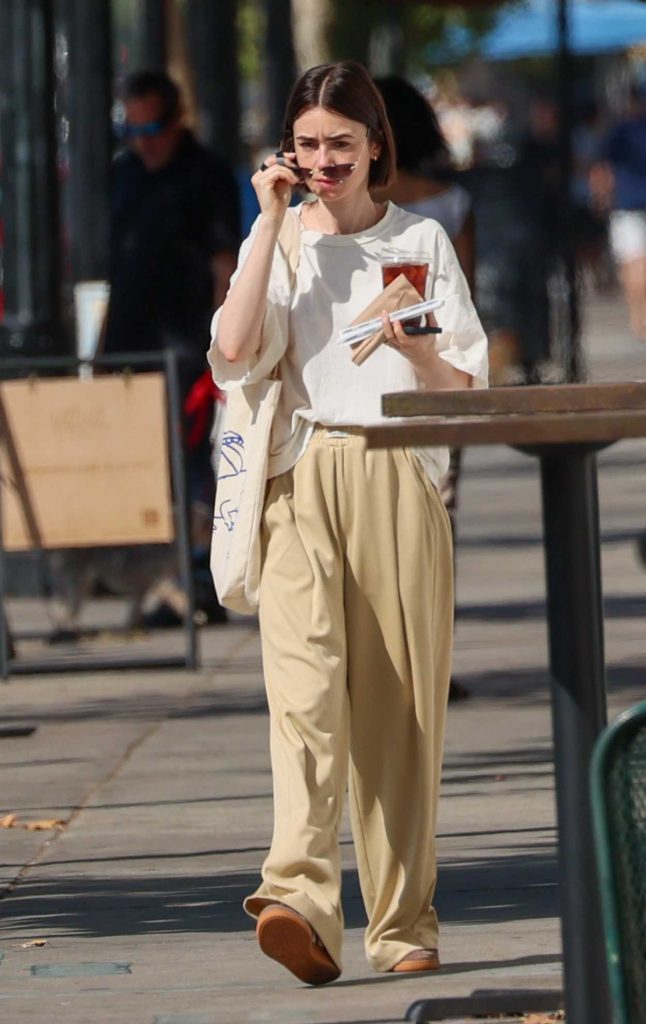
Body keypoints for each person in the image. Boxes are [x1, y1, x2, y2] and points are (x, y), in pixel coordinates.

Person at [208, 60, 488, 984]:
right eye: (308, 146)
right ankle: (298, 896)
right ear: (286, 151)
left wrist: (417, 346)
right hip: (298, 476)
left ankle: (404, 925)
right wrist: (267, 220)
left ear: (377, 148)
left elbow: (470, 391)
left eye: (341, 145)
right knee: (303, 697)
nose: (323, 163)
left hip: (396, 471)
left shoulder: (421, 242)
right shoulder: (279, 240)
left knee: (401, 716)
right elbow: (236, 351)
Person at [104, 69, 241, 625]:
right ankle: (156, 581)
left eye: (154, 126)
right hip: (130, 342)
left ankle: (201, 577)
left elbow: (224, 264)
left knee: (191, 463)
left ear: (177, 118)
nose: (145, 141)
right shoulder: (122, 175)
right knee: (141, 464)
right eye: (133, 129)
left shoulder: (207, 175)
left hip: (188, 344)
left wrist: (224, 345)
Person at [374, 75, 475, 702]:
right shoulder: (450, 203)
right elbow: (469, 302)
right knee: (437, 520)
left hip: (369, 379)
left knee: (374, 520)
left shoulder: (354, 209)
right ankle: (429, 662)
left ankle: (384, 659)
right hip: (437, 378)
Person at [591, 84, 646, 340]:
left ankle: (639, 318)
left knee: (633, 263)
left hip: (628, 205)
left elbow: (603, 168)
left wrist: (600, 197)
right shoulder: (622, 131)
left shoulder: (620, 131)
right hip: (629, 204)